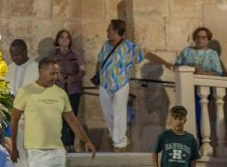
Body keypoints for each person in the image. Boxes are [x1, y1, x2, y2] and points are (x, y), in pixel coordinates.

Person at [10, 58, 96, 167]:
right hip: (37, 152)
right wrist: (14, 147)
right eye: (52, 73)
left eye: (57, 73)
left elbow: (72, 120)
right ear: (41, 72)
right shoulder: (26, 91)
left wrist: (86, 140)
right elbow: (14, 120)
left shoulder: (61, 93)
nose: (56, 77)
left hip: (58, 151)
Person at [96, 19, 165, 152]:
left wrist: (166, 63)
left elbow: (147, 55)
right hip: (104, 83)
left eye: (109, 29)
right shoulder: (105, 45)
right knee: (107, 113)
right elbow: (100, 60)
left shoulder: (129, 46)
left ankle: (120, 143)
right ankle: (117, 137)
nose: (107, 31)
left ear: (116, 31)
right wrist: (97, 75)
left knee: (119, 112)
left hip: (120, 83)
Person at [49, 29, 85, 152]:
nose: (65, 39)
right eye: (62, 37)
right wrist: (57, 75)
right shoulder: (53, 54)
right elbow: (48, 70)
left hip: (73, 89)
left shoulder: (76, 53)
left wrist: (73, 78)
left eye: (67, 37)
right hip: (58, 90)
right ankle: (62, 143)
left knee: (72, 116)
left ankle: (70, 144)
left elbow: (82, 70)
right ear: (57, 39)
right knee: (59, 117)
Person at [4, 38, 38, 166]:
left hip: (30, 117)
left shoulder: (36, 68)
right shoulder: (9, 68)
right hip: (13, 117)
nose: (14, 58)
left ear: (25, 51)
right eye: (12, 55)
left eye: (17, 54)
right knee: (16, 152)